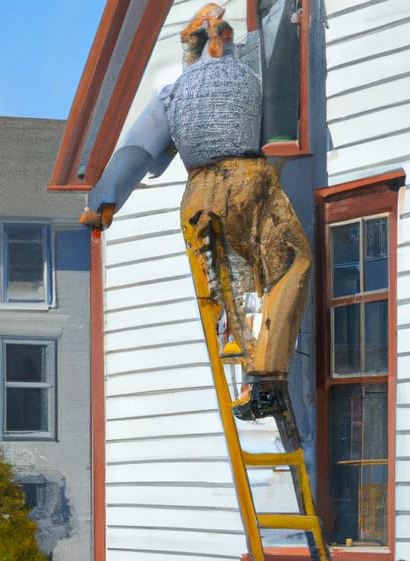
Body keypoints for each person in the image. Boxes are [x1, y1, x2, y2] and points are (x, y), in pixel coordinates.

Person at [80, 3, 310, 420]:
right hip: (245, 178)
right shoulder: (246, 72)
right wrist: (292, 17)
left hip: (197, 196)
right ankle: (264, 381)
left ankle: (250, 375)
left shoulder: (173, 95)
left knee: (236, 283)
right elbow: (276, 39)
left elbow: (136, 150)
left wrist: (102, 203)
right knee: (290, 264)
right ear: (221, 43)